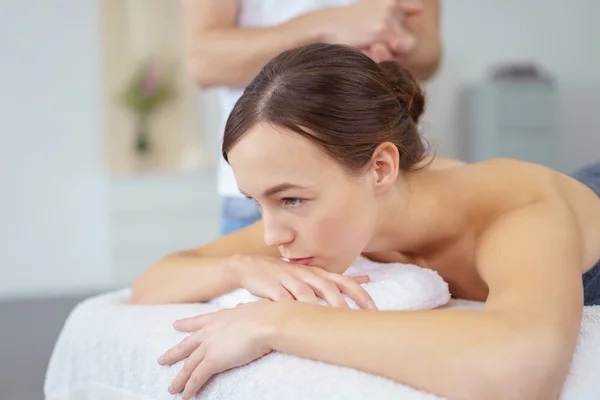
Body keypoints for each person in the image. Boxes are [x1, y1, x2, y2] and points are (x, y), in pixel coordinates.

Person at [131, 43, 600, 400]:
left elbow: (524, 368)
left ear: (380, 168)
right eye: (258, 203)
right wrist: (237, 267)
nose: (272, 236)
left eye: (290, 199)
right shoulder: (345, 213)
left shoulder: (518, 211)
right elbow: (151, 285)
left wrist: (275, 323)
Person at [181, 0, 442, 235]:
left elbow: (428, 52)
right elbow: (204, 60)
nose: (273, 239)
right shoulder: (271, 214)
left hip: (386, 170)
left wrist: (391, 44)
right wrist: (328, 25)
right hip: (267, 183)